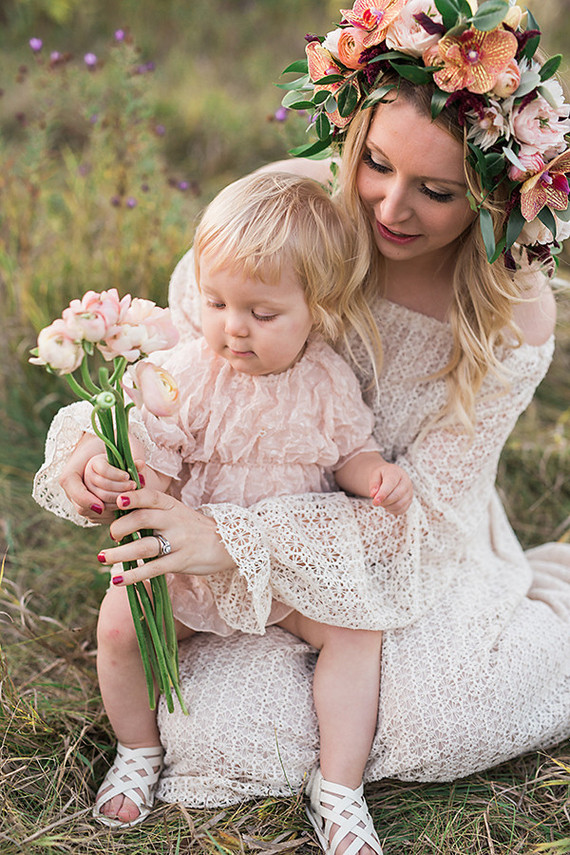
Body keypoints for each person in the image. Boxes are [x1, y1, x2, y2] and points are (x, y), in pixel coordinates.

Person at [32, 1, 570, 853]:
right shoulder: (290, 213)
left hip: (393, 535)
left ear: (497, 193)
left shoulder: (509, 311)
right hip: (246, 511)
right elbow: (182, 361)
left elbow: (419, 512)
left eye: (435, 192)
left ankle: (533, 615)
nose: (392, 207)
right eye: (377, 166)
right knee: (217, 734)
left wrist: (230, 537)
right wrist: (98, 447)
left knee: (442, 713)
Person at [81, 172, 411, 842]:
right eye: (215, 302)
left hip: (283, 566)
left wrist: (376, 475)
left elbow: (350, 451)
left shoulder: (326, 379)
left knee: (357, 631)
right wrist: (121, 465)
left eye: (262, 314)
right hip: (193, 562)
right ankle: (138, 748)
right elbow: (156, 441)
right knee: (119, 625)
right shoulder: (189, 372)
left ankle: (340, 785)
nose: (234, 328)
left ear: (316, 309)